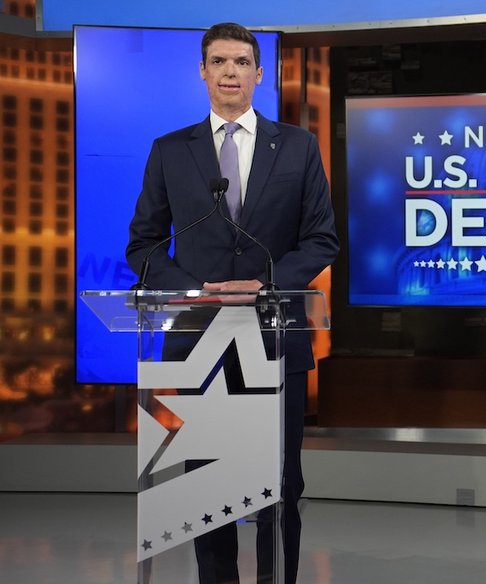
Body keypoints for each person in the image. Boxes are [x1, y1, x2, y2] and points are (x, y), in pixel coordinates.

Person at [125, 22, 340, 584]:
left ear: (258, 73)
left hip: (275, 336)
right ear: (202, 71)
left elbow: (322, 239)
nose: (229, 73)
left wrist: (266, 284)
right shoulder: (171, 151)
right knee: (207, 482)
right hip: (200, 338)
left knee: (280, 484)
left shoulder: (296, 146)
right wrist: (193, 289)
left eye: (241, 62)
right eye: (218, 61)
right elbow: (143, 244)